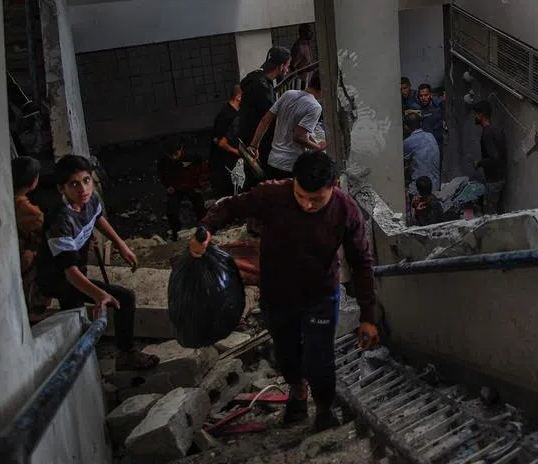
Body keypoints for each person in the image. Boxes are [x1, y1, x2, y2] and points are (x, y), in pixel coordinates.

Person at [191, 151, 379, 429]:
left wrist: (368, 316)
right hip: (277, 293)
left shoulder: (346, 211)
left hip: (321, 295)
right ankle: (298, 394)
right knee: (287, 352)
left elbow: (362, 262)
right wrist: (204, 229)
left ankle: (324, 409)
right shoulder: (272, 195)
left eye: (316, 200)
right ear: (293, 182)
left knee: (320, 359)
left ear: (334, 187)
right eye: (301, 195)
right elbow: (231, 206)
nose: (306, 205)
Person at [37, 155, 159, 370]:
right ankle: (93, 366)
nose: (83, 188)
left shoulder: (90, 199)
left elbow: (98, 218)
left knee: (107, 305)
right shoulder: (59, 221)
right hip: (58, 278)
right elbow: (70, 272)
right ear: (61, 189)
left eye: (86, 180)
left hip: (77, 270)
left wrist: (121, 245)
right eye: (74, 184)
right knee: (104, 306)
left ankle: (121, 355)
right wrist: (98, 294)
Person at [249, 73, 326, 180]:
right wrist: (318, 147)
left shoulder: (288, 94)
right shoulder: (315, 107)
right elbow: (298, 137)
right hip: (290, 165)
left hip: (273, 160)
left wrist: (254, 146)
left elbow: (265, 120)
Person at [239, 47, 292, 186]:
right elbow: (268, 118)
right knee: (266, 183)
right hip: (259, 145)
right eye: (287, 66)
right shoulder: (262, 87)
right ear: (281, 66)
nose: (287, 70)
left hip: (249, 140)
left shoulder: (256, 78)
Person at [13, 156, 48, 320]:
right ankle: (33, 309)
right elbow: (39, 240)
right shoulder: (31, 213)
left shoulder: (4, 199)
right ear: (34, 181)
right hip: (21, 258)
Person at [157, 142, 205, 241]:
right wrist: (167, 186)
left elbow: (203, 170)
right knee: (171, 212)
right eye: (171, 155)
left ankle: (205, 230)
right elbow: (161, 173)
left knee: (200, 208)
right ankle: (175, 234)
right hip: (175, 188)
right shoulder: (165, 160)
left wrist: (200, 185)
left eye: (175, 154)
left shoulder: (192, 157)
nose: (174, 157)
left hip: (192, 186)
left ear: (181, 149)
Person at [472, 101, 508, 214]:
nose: (475, 117)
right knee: (499, 210)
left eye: (476, 114)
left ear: (481, 115)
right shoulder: (495, 129)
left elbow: (494, 158)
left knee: (490, 214)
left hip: (494, 181)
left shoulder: (487, 134)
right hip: (501, 177)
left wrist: (479, 163)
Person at [209, 85, 242, 198]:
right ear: (238, 97)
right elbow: (220, 142)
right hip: (224, 163)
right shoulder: (226, 115)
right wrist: (237, 151)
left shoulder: (235, 113)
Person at [403, 112, 441, 196]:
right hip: (435, 185)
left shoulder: (407, 142)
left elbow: (403, 164)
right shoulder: (430, 136)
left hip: (420, 188)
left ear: (406, 127)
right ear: (420, 123)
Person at [416, 83, 446, 159]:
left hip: (437, 143)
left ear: (430, 95)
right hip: (424, 146)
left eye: (426, 95)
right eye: (421, 96)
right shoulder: (417, 108)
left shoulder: (438, 106)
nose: (423, 98)